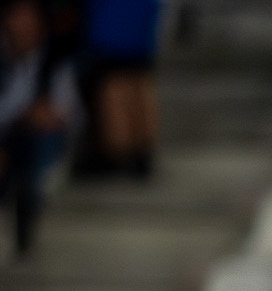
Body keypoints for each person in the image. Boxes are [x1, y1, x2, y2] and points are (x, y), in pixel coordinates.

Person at [0, 0, 78, 254]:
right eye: (15, 18)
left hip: (41, 142)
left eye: (28, 18)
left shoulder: (54, 63)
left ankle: (29, 197)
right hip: (7, 139)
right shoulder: (6, 64)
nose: (21, 25)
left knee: (35, 140)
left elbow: (63, 113)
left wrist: (32, 117)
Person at [83, 0, 160, 177]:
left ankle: (120, 152)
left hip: (111, 36)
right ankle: (137, 151)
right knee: (134, 84)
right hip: (134, 32)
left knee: (116, 87)